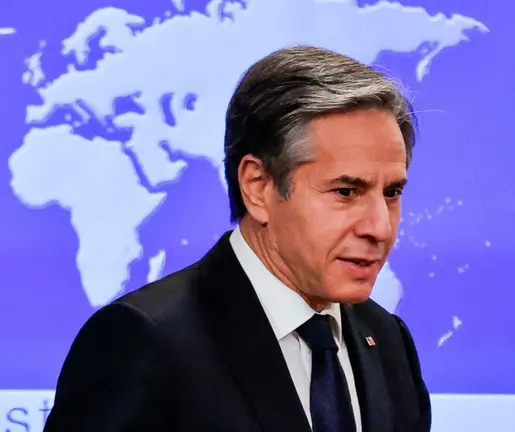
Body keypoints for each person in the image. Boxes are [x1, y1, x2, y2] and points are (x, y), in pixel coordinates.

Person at [43, 45, 431, 432]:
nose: (380, 227)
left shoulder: (387, 340)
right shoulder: (146, 340)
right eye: (346, 192)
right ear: (258, 187)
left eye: (392, 193)